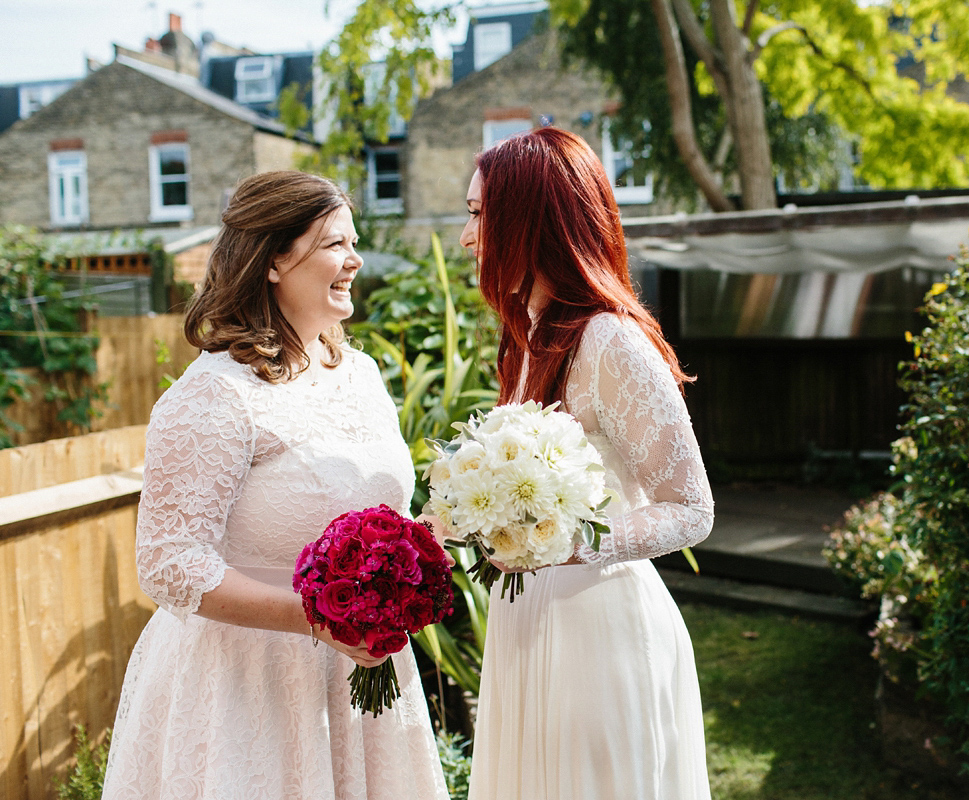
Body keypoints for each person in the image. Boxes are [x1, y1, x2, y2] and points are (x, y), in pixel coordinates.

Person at [102, 171, 450, 800]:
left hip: (362, 682)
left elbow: (386, 519)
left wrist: (436, 542)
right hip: (247, 689)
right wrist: (319, 620)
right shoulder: (215, 395)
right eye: (335, 244)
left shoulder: (362, 375)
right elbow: (168, 564)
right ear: (274, 261)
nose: (355, 259)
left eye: (354, 241)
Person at [456, 127, 714, 799]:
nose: (466, 237)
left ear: (529, 220)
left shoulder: (610, 342)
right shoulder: (527, 338)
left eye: (480, 214)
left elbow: (693, 510)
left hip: (600, 639)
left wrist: (566, 544)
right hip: (530, 626)